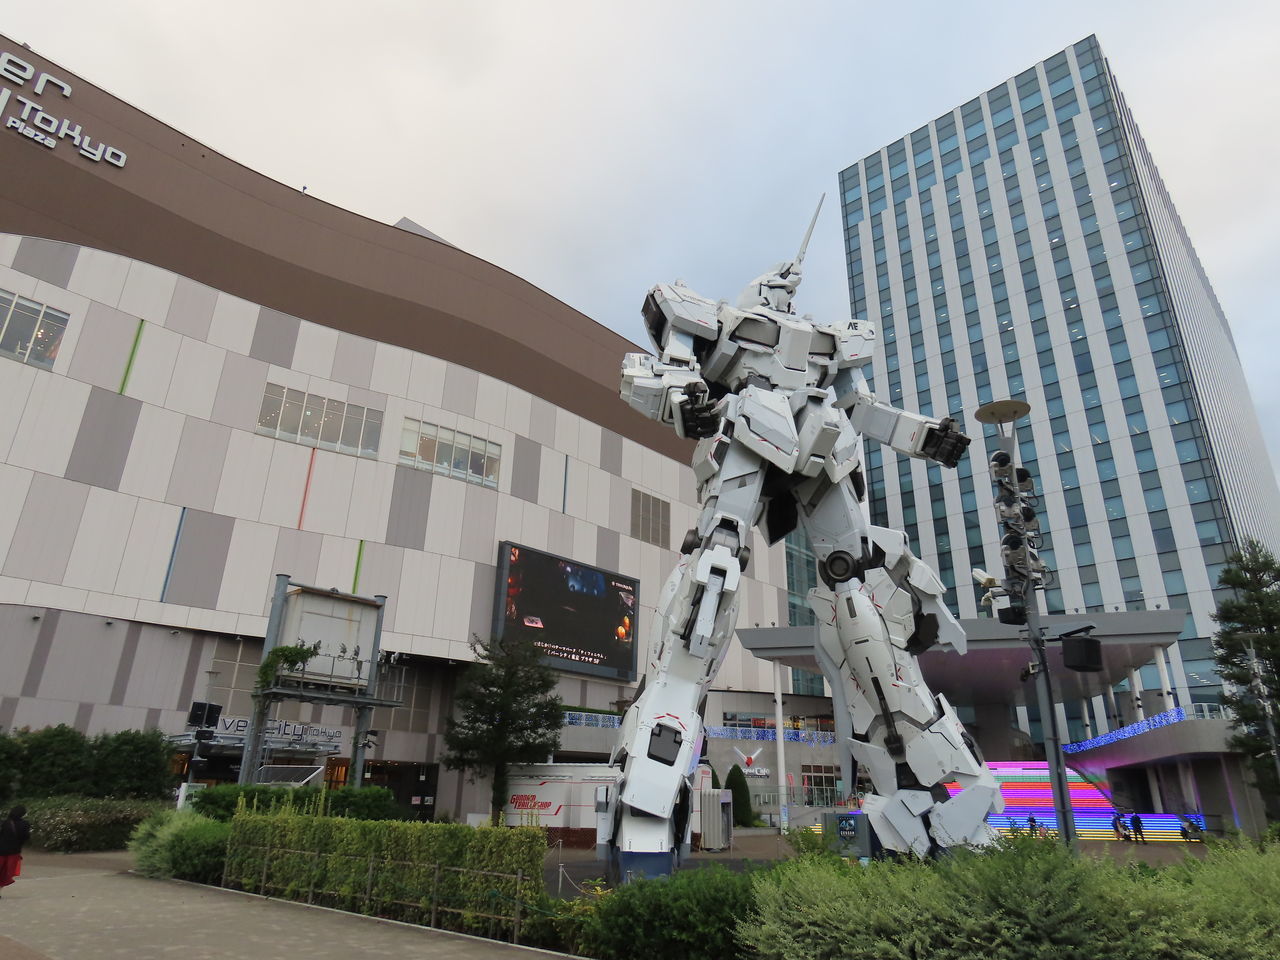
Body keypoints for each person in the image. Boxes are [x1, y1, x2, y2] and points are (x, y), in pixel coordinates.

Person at [0, 805, 31, 895]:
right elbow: (26, 837)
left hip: (1, 850)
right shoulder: (25, 824)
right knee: (6, 873)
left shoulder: (4, 822)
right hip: (14, 851)